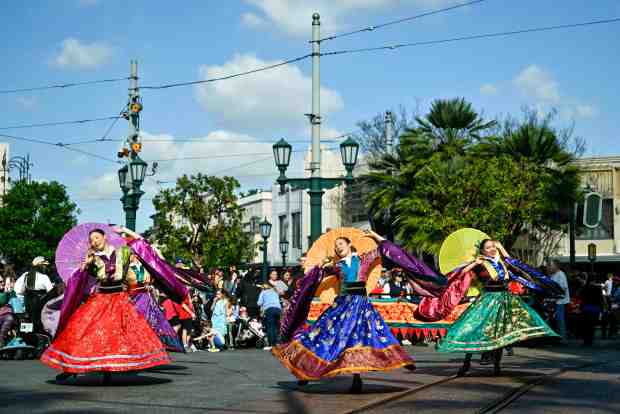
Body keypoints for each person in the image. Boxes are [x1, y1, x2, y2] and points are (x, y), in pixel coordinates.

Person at [273, 230, 445, 393]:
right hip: (341, 305)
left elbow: (386, 250)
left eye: (340, 243)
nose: (337, 247)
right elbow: (314, 275)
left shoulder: (364, 259)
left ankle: (361, 376)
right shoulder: (336, 266)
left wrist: (375, 236)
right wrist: (319, 266)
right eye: (335, 245)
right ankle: (304, 370)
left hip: (361, 305)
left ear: (349, 244)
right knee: (321, 335)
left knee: (362, 338)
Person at [41, 226, 187, 384]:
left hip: (120, 299)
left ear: (104, 238)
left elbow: (143, 244)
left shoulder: (123, 252)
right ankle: (70, 368)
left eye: (96, 238)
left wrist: (126, 230)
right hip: (100, 299)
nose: (94, 241)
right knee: (85, 333)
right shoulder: (92, 259)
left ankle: (119, 366)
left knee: (123, 334)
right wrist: (85, 266)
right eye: (91, 240)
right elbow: (79, 280)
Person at [418, 239, 561, 376]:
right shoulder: (481, 264)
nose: (492, 249)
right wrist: (474, 263)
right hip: (487, 301)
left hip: (505, 300)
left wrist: (501, 248)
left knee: (501, 334)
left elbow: (516, 264)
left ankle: (497, 365)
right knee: (475, 330)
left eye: (493, 246)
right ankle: (466, 363)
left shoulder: (502, 262)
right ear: (482, 251)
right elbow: (459, 274)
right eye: (488, 247)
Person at [126, 253, 184, 352]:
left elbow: (151, 279)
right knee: (136, 320)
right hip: (133, 297)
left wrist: (148, 285)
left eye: (135, 254)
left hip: (145, 297)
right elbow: (128, 282)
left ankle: (151, 344)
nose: (134, 257)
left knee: (151, 320)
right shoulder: (127, 268)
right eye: (133, 254)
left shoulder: (145, 268)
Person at [15, 257, 54, 333]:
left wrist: (24, 299)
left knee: (30, 323)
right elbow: (51, 292)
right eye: (44, 265)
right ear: (40, 266)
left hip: (28, 304)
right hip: (41, 306)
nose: (45, 267)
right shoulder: (44, 277)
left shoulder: (26, 276)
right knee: (40, 325)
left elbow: (18, 290)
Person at [548, 260, 570, 341]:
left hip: (560, 302)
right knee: (557, 320)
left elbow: (563, 288)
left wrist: (556, 295)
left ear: (556, 266)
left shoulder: (561, 274)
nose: (549, 267)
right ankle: (559, 337)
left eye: (550, 265)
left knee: (560, 319)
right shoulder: (553, 275)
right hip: (554, 301)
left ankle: (563, 338)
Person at [258, 283, 282, 350]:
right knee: (276, 326)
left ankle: (271, 344)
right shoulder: (274, 292)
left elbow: (259, 303)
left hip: (269, 309)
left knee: (270, 326)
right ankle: (277, 343)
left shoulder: (263, 292)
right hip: (278, 309)